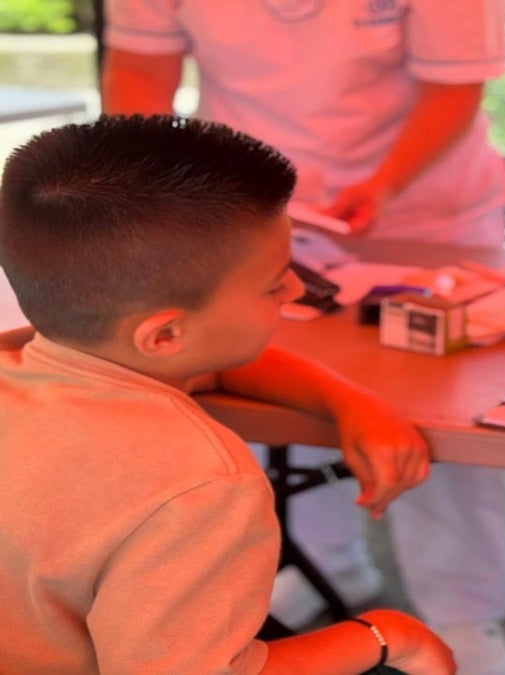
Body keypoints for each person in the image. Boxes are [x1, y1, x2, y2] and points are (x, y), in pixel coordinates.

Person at [99, 4, 505, 672]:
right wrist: (149, 194)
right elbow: (140, 62)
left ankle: (464, 610)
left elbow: (453, 86)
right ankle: (329, 561)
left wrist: (384, 185)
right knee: (275, 381)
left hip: (423, 203)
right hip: (251, 204)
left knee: (439, 408)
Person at [0, 115, 454, 674]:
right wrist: (387, 635)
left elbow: (206, 368)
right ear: (165, 334)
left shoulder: (32, 356)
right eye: (274, 282)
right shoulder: (200, 484)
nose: (293, 289)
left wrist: (349, 401)